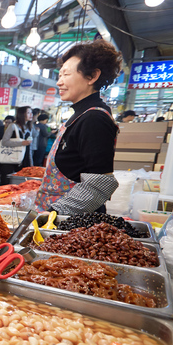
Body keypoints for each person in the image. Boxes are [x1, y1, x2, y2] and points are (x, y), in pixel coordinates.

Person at [35, 40, 122, 215]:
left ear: (92, 76)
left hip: (70, 224)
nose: (59, 82)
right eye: (59, 75)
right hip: (56, 219)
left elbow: (99, 184)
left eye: (66, 75)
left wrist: (54, 213)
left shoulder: (94, 118)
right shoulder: (80, 115)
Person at [0, 107, 33, 186]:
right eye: (28, 112)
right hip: (9, 159)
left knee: (20, 185)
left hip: (23, 161)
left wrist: (31, 164)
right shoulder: (13, 126)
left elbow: (29, 148)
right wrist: (21, 143)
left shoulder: (29, 128)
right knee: (6, 184)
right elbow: (4, 142)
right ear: (22, 114)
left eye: (31, 112)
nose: (31, 114)